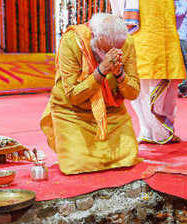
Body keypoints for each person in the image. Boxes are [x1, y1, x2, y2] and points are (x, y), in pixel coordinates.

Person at [40, 13, 142, 174]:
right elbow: (73, 95)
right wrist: (101, 71)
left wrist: (119, 74)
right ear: (93, 36)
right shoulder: (73, 41)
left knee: (128, 157)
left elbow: (133, 93)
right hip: (72, 112)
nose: (109, 55)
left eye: (116, 50)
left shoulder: (126, 43)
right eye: (103, 51)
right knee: (79, 164)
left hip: (111, 111)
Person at [130, 0, 186, 144]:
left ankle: (156, 132)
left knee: (157, 85)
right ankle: (150, 131)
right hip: (142, 36)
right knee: (140, 86)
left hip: (159, 36)